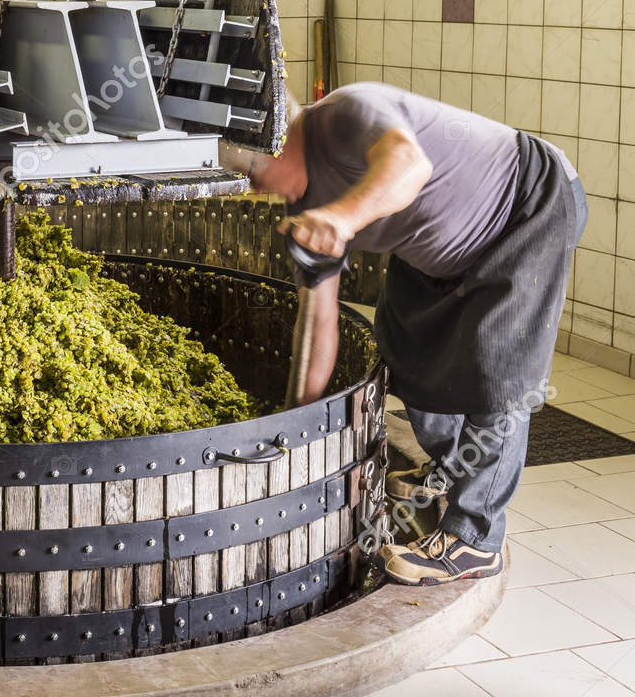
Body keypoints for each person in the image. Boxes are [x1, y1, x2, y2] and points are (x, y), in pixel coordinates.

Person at [221, 83, 587, 586]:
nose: (256, 188)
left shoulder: (347, 112)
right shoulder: (301, 204)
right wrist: (293, 430)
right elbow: (317, 322)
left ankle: (475, 539)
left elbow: (410, 167)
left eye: (255, 173)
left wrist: (342, 217)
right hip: (442, 249)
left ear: (281, 141)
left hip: (527, 204)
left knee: (499, 368)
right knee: (402, 345)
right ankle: (449, 469)